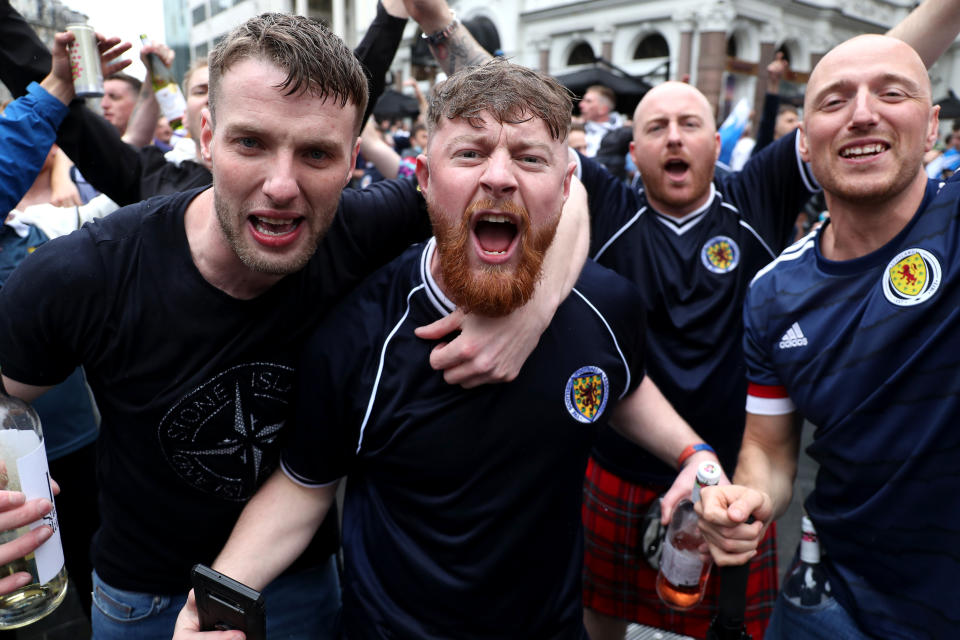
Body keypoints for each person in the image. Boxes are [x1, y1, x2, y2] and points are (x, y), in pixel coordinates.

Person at [0, 13, 584, 639]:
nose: (282, 185)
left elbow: (557, 177)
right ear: (207, 136)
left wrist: (531, 312)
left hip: (300, 584)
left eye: (316, 153)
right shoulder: (84, 274)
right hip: (142, 597)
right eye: (250, 143)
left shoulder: (360, 229)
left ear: (351, 159)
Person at [171, 57, 722, 640]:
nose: (500, 178)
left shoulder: (606, 307)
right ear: (424, 179)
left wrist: (696, 457)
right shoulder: (358, 336)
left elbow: (623, 385)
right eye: (470, 153)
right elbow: (305, 488)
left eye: (531, 158)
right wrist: (216, 602)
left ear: (565, 190)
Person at [574, 2, 958, 637]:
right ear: (632, 149)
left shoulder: (754, 192)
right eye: (658, 125)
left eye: (690, 122)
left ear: (717, 139)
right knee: (602, 612)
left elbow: (859, 88)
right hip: (630, 468)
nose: (675, 137)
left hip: (728, 473)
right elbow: (521, 133)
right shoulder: (764, 287)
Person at [698, 3, 960, 639]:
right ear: (806, 145)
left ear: (931, 129)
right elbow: (767, 448)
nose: (863, 113)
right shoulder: (773, 292)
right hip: (831, 602)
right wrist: (750, 497)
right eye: (834, 100)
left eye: (891, 93)